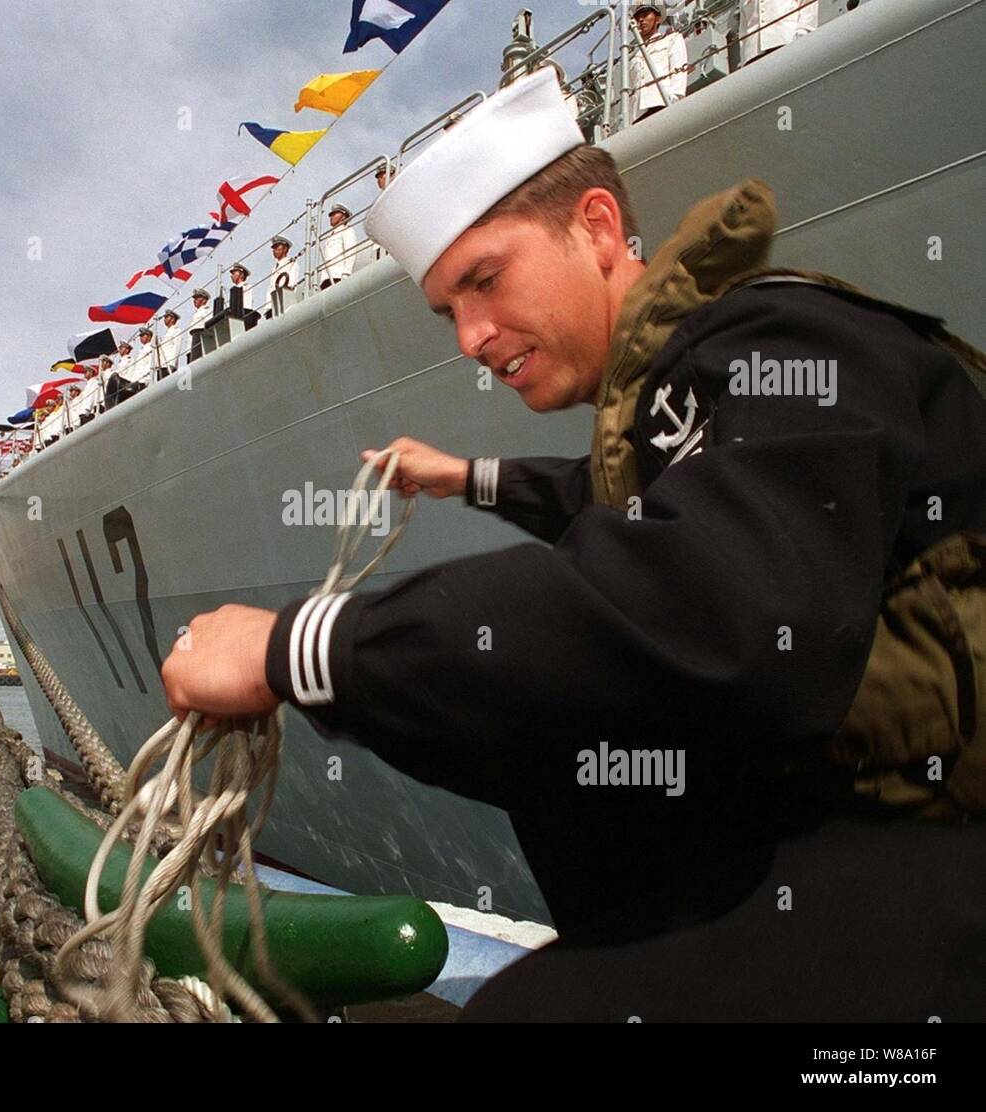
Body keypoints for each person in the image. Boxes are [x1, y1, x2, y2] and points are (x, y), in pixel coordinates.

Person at [159, 67, 986, 1020]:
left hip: (937, 832)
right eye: (450, 312)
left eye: (486, 280)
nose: (470, 337)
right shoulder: (676, 396)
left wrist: (296, 648)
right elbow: (612, 497)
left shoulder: (791, 338)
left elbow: (721, 601)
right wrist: (461, 476)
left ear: (597, 228)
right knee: (523, 722)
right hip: (831, 809)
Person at [629, 3, 687, 123]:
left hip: (662, 103)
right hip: (637, 115)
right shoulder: (633, 56)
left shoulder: (671, 39)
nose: (641, 19)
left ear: (658, 19)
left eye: (645, 15)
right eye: (637, 17)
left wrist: (675, 101)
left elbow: (678, 70)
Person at [740, 0, 818, 65]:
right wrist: (744, 59)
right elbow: (743, 28)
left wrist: (802, 32)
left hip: (785, 40)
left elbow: (807, 4)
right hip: (753, 54)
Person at [318, 202, 358, 288]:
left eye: (334, 214)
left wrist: (346, 274)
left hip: (338, 276)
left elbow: (350, 252)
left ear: (343, 216)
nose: (331, 217)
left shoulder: (347, 230)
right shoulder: (329, 236)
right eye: (330, 215)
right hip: (326, 278)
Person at [156, 309, 183, 380]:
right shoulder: (167, 333)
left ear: (173, 319)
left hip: (169, 365)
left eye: (166, 317)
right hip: (162, 365)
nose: (164, 319)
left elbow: (177, 348)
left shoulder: (176, 330)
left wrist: (172, 365)